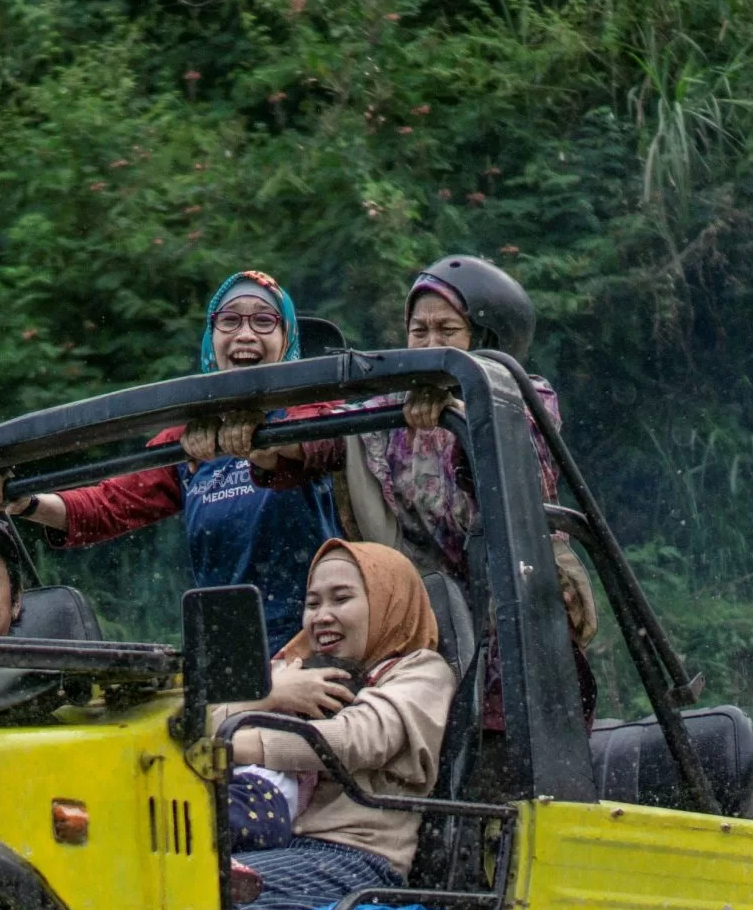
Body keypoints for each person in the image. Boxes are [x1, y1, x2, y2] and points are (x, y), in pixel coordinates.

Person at [248, 254, 598, 726]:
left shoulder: (522, 395)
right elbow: (323, 437)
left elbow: (507, 446)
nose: (430, 345)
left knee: (500, 756)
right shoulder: (387, 410)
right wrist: (257, 441)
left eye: (448, 332)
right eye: (419, 331)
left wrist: (456, 410)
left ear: (486, 338)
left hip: (516, 620)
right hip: (425, 627)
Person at [0, 270, 339, 644]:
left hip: (319, 632)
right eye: (229, 320)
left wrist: (259, 440)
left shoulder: (314, 413)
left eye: (263, 320)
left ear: (286, 337)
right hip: (232, 644)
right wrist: (28, 501)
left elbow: (322, 446)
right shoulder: (189, 437)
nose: (245, 334)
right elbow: (107, 505)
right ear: (212, 339)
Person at [214, 540, 453, 910]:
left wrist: (238, 744)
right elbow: (194, 721)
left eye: (341, 599)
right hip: (278, 847)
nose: (322, 616)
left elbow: (357, 737)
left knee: (201, 894)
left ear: (386, 601)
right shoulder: (299, 672)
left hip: (356, 858)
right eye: (312, 603)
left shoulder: (420, 671)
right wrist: (270, 694)